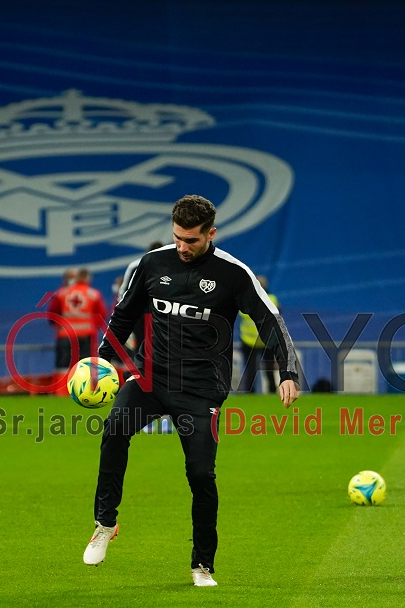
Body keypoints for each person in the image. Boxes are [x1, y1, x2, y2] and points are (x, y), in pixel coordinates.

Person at [83, 195, 300, 587]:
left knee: (200, 474)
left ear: (210, 233)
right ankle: (105, 523)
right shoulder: (153, 263)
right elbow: (125, 314)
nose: (182, 247)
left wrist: (288, 371)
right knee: (114, 430)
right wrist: (101, 359)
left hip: (201, 389)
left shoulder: (233, 273)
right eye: (177, 238)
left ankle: (202, 565)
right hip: (151, 377)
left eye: (191, 241)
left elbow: (270, 320)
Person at [48, 268, 109, 380]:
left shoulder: (62, 293)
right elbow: (101, 315)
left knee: (63, 365)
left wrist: (57, 326)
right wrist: (92, 326)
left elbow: (52, 313)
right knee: (86, 366)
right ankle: (85, 391)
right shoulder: (93, 294)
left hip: (65, 335)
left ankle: (62, 392)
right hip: (86, 335)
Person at [238, 275, 281, 394]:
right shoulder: (272, 299)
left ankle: (250, 392)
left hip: (248, 340)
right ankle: (272, 391)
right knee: (268, 367)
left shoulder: (246, 299)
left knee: (251, 368)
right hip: (265, 340)